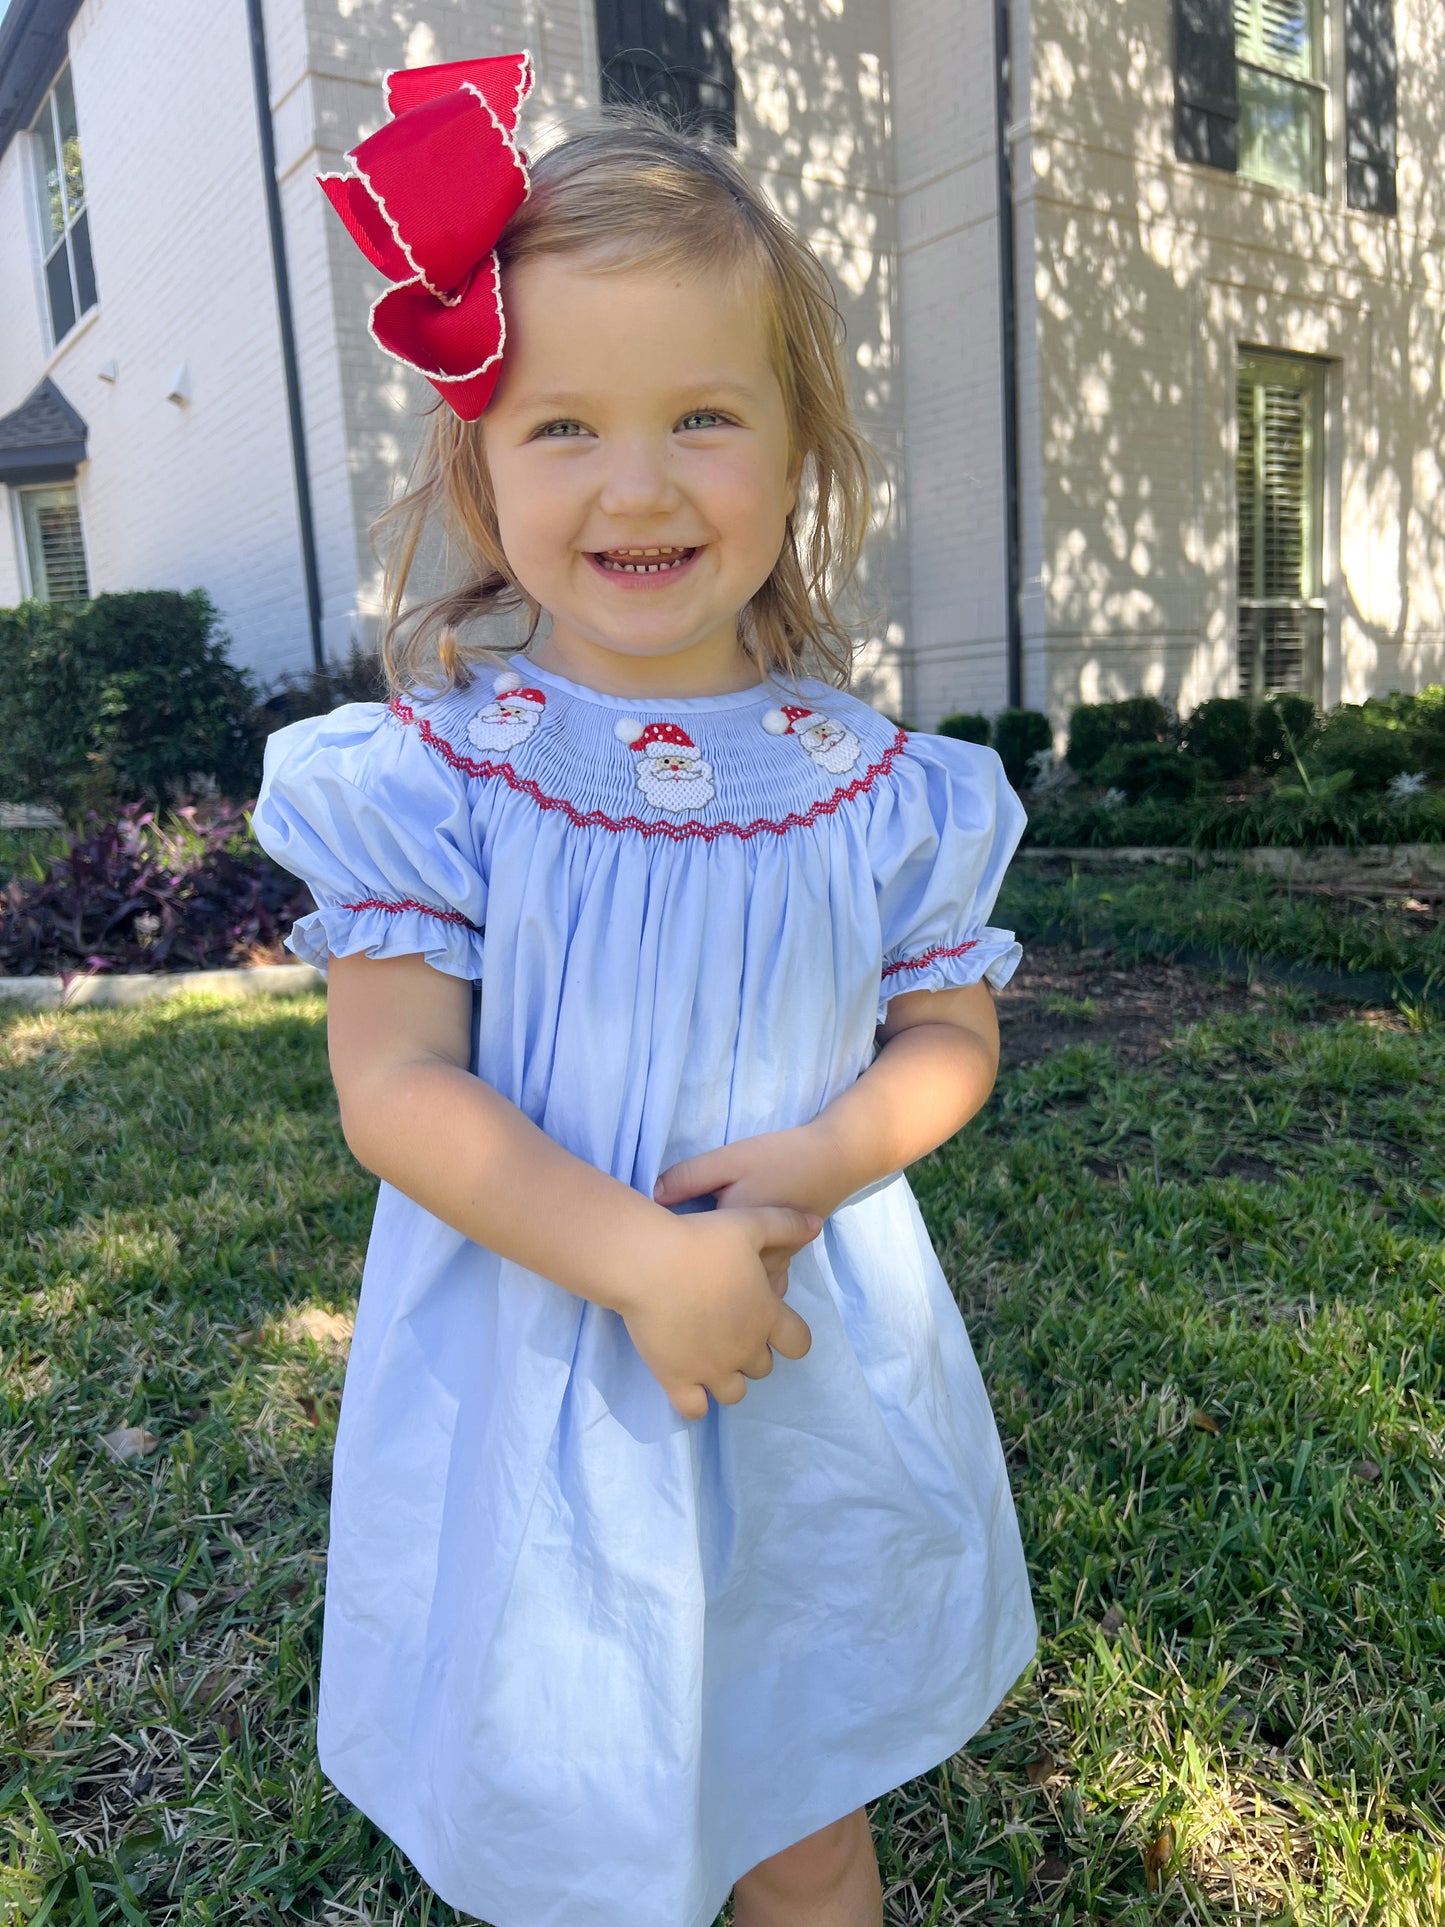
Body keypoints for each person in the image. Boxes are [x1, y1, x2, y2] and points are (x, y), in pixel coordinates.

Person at [251, 49, 1037, 1927]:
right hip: (543, 1366)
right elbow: (396, 1093)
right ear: (476, 459)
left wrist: (815, 1167)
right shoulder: (433, 780)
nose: (635, 482)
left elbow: (948, 1031)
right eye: (559, 426)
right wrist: (637, 1258)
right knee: (574, 1794)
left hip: (792, 1354)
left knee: (802, 1799)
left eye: (702, 416)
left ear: (799, 450)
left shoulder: (877, 784)